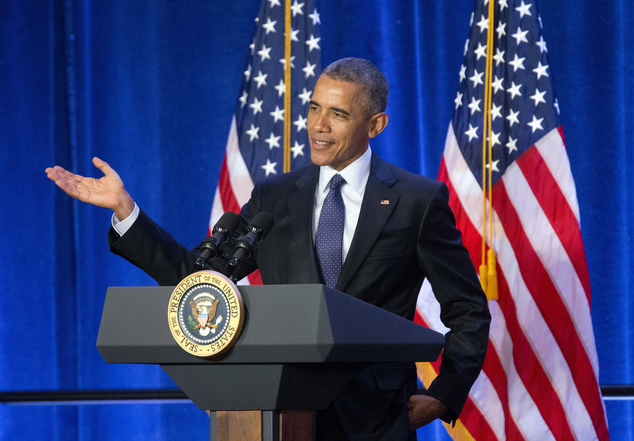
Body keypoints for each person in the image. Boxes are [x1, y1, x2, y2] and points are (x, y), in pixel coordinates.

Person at [46, 57, 490, 440]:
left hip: (374, 419)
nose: (317, 125)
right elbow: (199, 281)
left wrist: (443, 395)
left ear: (375, 124)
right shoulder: (274, 197)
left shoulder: (416, 200)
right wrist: (126, 211)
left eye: (337, 114)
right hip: (276, 411)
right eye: (314, 108)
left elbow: (468, 308)